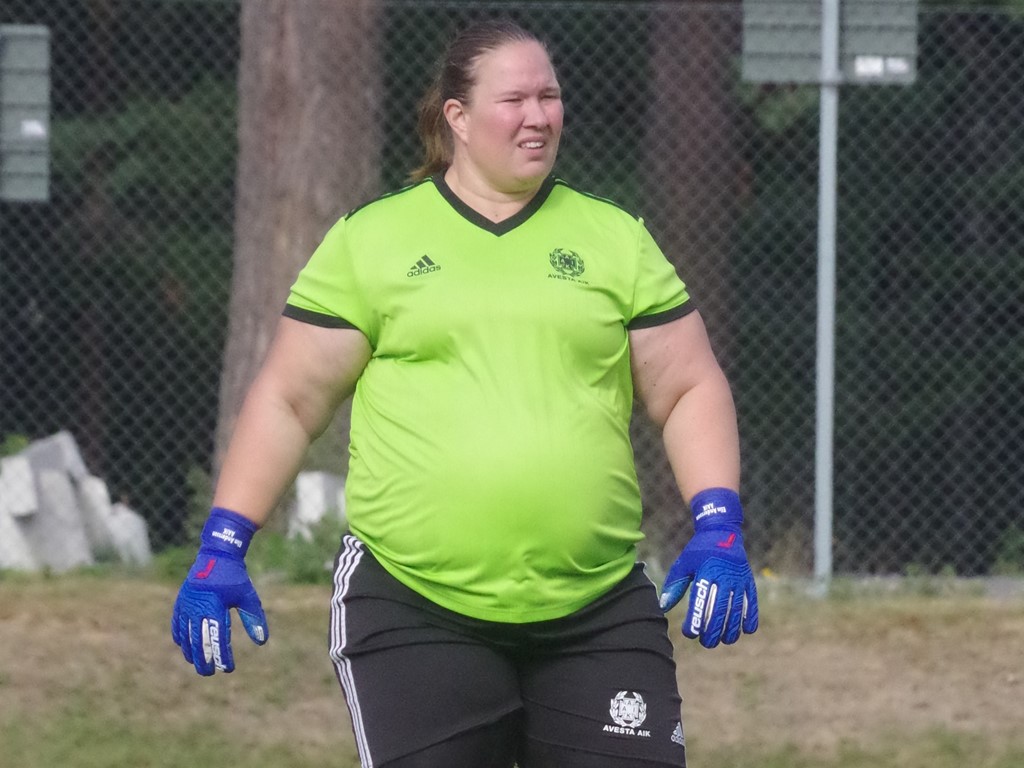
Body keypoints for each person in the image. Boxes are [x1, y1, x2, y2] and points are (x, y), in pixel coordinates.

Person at [171, 18, 758, 768]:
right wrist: (224, 545)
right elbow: (289, 399)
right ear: (457, 116)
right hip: (414, 608)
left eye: (550, 96)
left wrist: (719, 525)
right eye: (515, 98)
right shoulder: (372, 241)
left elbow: (687, 386)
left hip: (596, 609)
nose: (539, 115)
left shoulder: (615, 239)